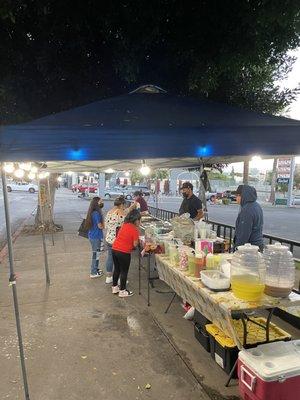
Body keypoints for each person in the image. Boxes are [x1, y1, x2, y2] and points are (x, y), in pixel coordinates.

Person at [104, 197, 136, 284]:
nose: (124, 207)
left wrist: (131, 207)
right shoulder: (121, 213)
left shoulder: (109, 212)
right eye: (124, 205)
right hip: (118, 241)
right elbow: (127, 221)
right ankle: (120, 279)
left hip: (109, 238)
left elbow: (106, 225)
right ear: (121, 204)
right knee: (120, 261)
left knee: (110, 257)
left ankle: (109, 277)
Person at [111, 209, 141, 298]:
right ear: (135, 220)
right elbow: (135, 244)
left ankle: (114, 287)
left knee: (117, 269)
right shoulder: (135, 230)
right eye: (139, 220)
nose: (140, 222)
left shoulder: (124, 225)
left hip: (115, 249)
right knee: (124, 271)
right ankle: (122, 291)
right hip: (123, 252)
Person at [234, 185, 264, 251]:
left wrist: (237, 249)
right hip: (258, 245)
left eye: (237, 195)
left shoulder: (247, 210)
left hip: (250, 249)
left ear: (243, 196)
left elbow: (244, 233)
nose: (236, 198)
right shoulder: (257, 206)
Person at [85, 196, 105, 278]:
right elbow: (100, 226)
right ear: (97, 203)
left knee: (97, 254)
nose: (102, 203)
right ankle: (93, 272)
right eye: (101, 201)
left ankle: (96, 269)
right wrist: (104, 224)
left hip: (93, 236)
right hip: (95, 237)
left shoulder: (93, 212)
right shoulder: (96, 213)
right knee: (95, 254)